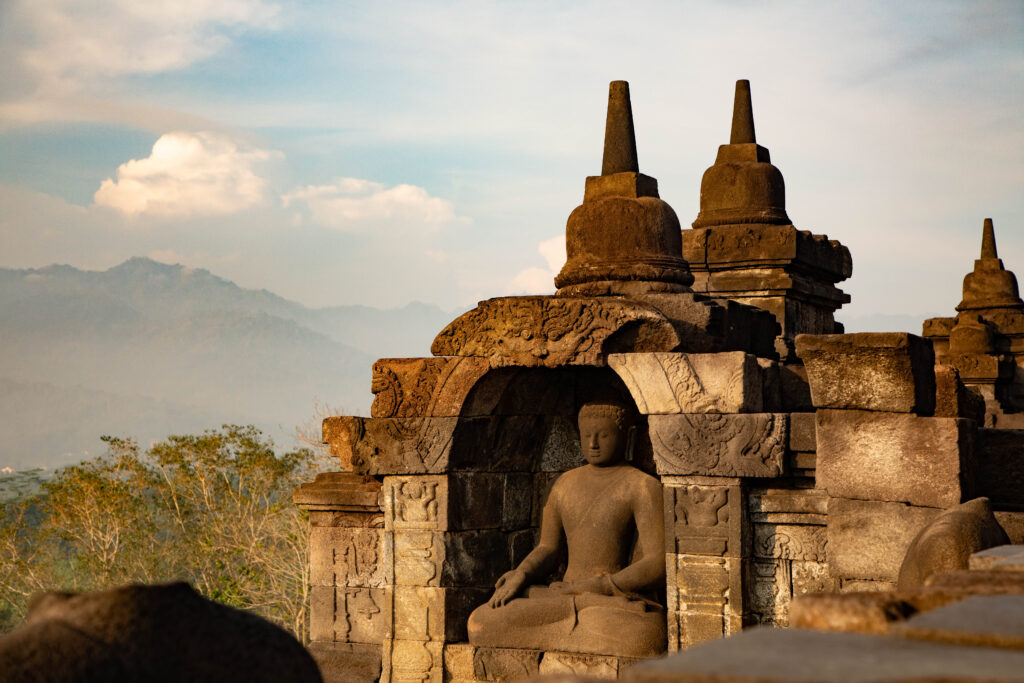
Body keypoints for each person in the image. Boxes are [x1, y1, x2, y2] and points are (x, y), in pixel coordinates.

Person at [467, 401, 666, 658]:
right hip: (562, 597)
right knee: (482, 621)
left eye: (604, 435)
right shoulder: (564, 484)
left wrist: (602, 587)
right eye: (586, 435)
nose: (593, 443)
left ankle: (580, 613)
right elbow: (548, 548)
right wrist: (522, 574)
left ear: (627, 437)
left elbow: (657, 563)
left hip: (612, 600)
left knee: (644, 635)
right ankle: (578, 613)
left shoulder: (641, 486)